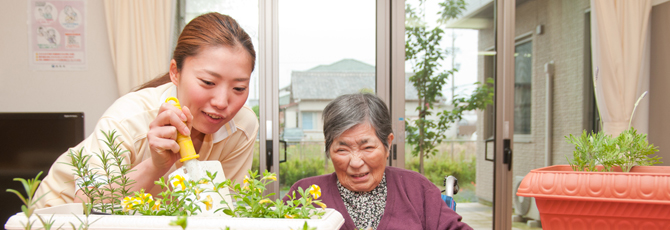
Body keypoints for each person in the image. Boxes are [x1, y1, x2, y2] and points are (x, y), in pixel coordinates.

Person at [34, 13, 258, 208]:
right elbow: (87, 204)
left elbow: (226, 208)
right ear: (175, 72)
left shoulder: (242, 126)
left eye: (239, 88)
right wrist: (154, 166)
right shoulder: (128, 119)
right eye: (208, 82)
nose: (222, 102)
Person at [284, 94, 471, 230]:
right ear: (328, 149)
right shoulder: (304, 195)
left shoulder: (417, 190)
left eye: (367, 148)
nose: (356, 162)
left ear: (387, 144)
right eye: (342, 149)